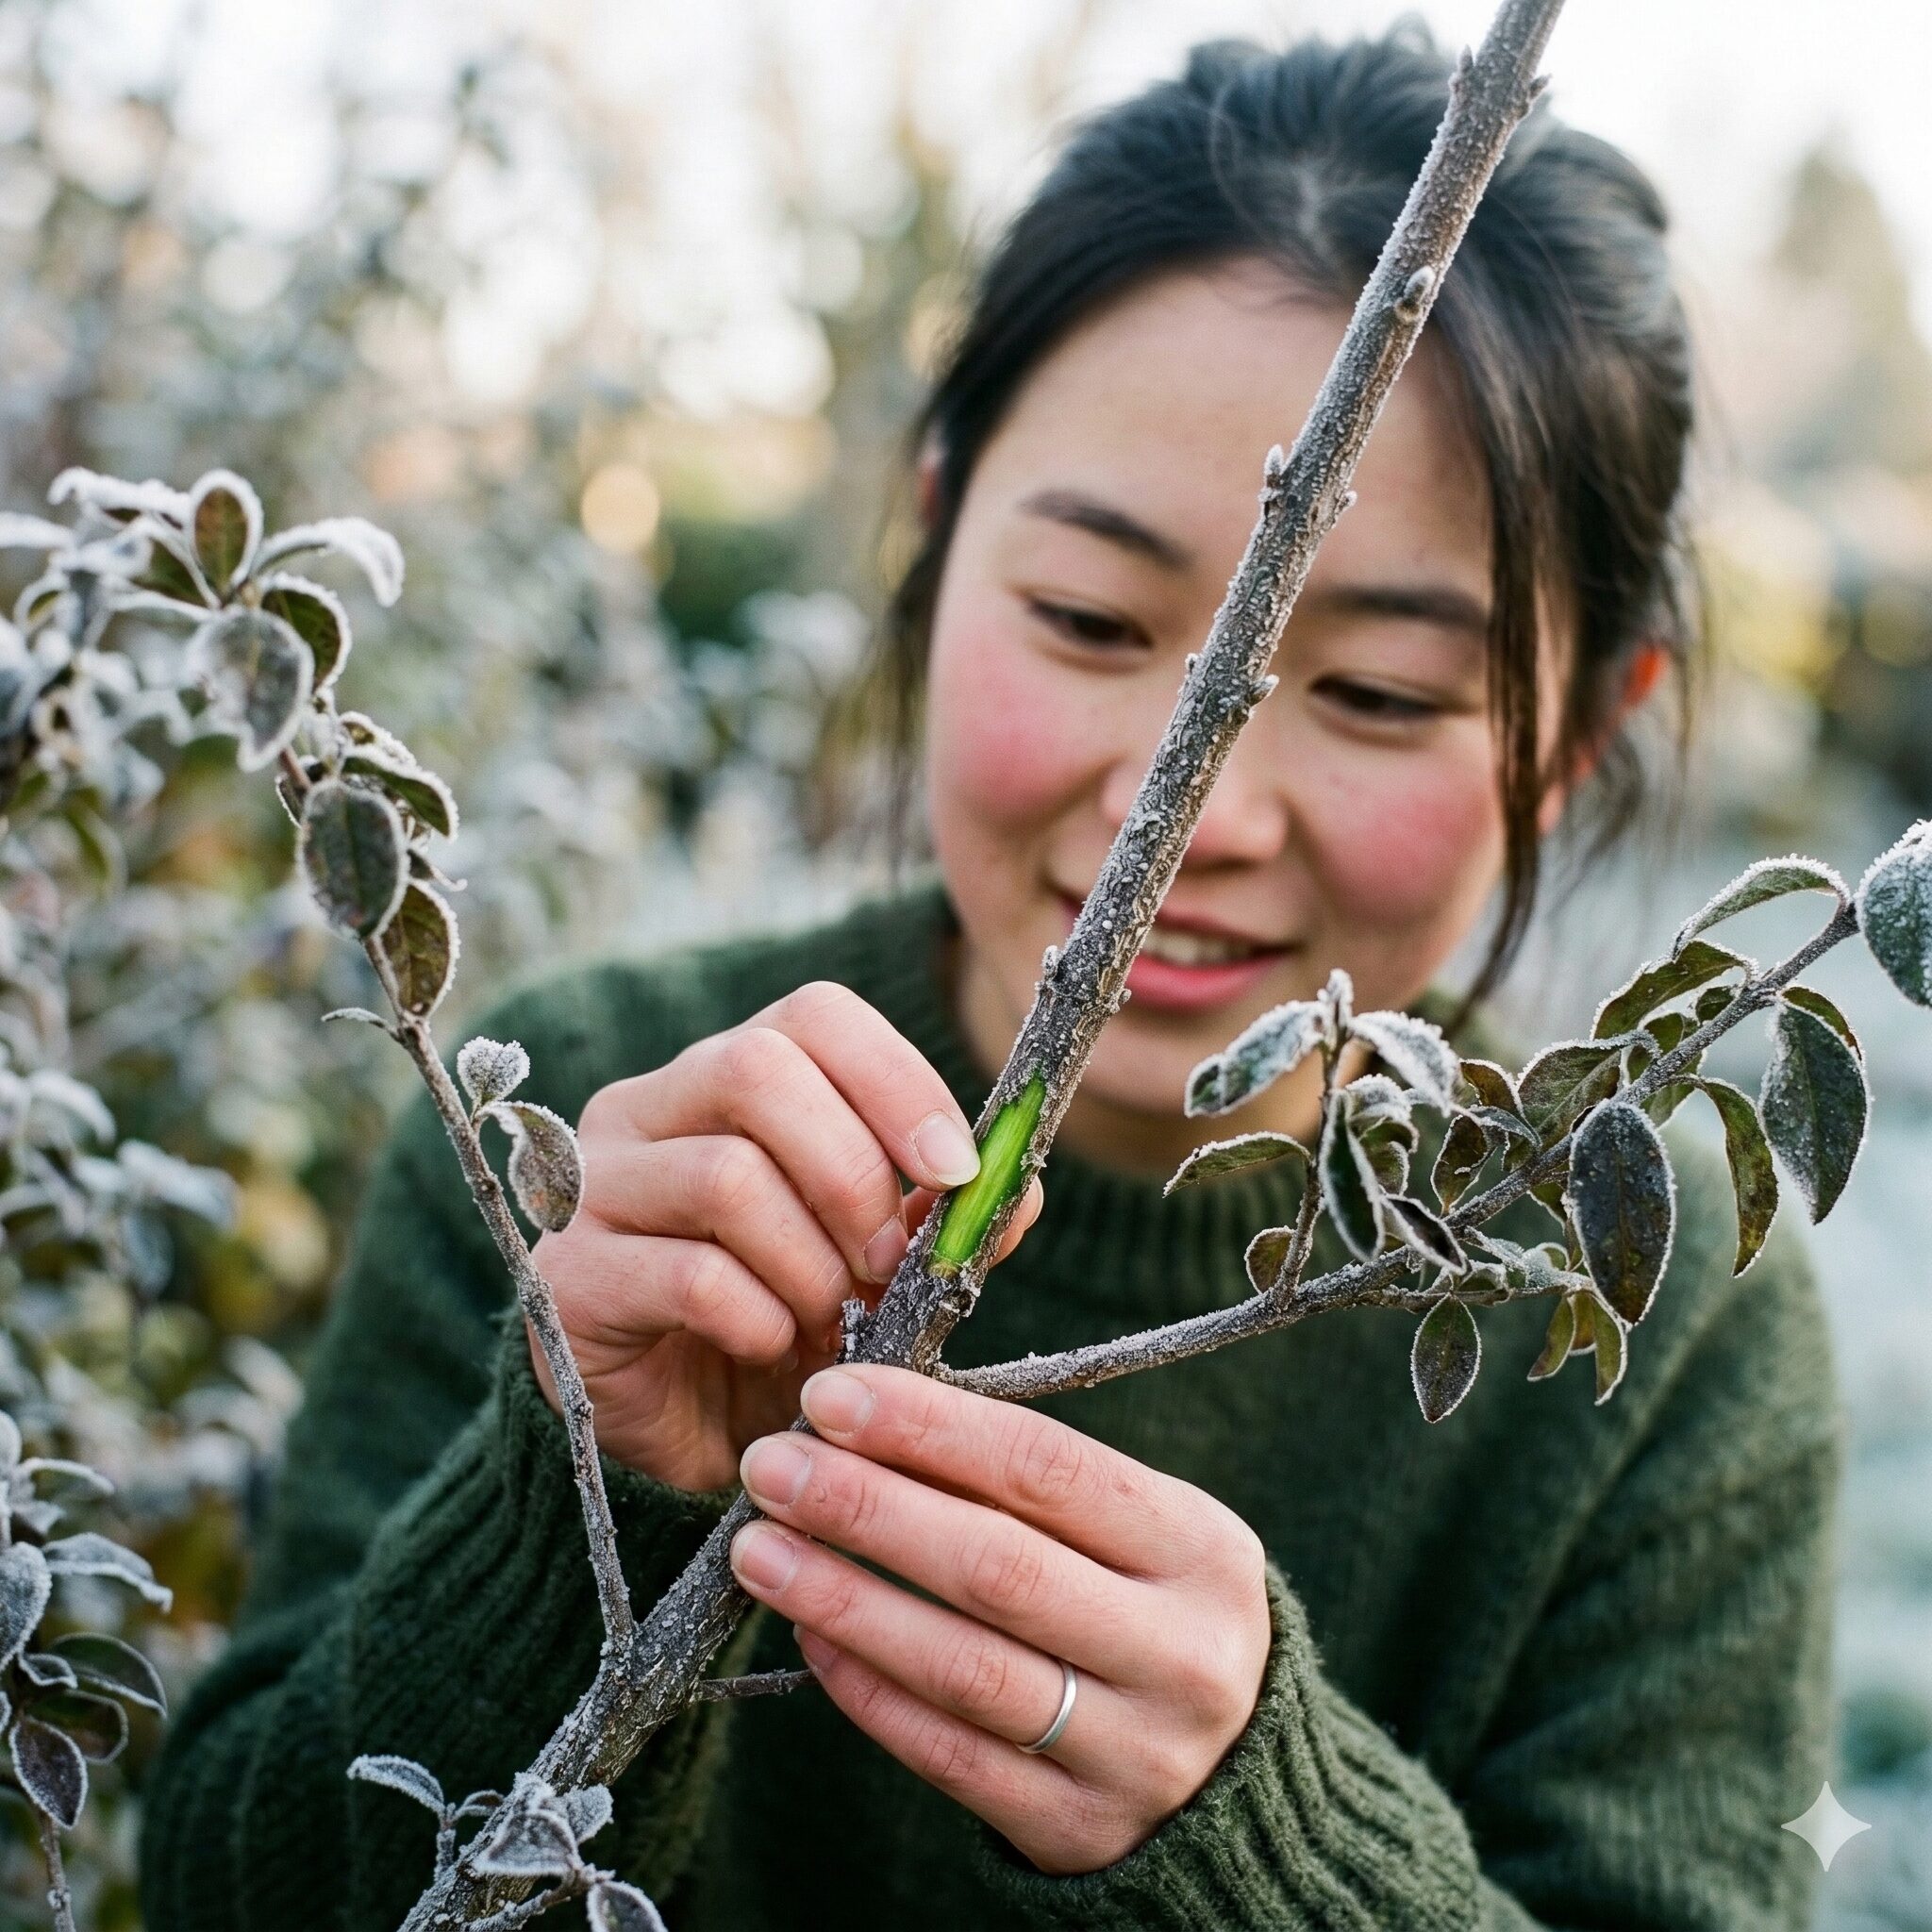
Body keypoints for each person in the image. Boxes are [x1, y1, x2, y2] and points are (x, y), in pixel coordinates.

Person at [142, 25, 1842, 1931]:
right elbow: (236, 1886)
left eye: (1375, 693)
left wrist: (1257, 1838)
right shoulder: (598, 1148)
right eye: (1089, 619)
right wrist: (570, 1498)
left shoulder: (1642, 1305)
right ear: (938, 536)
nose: (1184, 809)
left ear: (1579, 735)